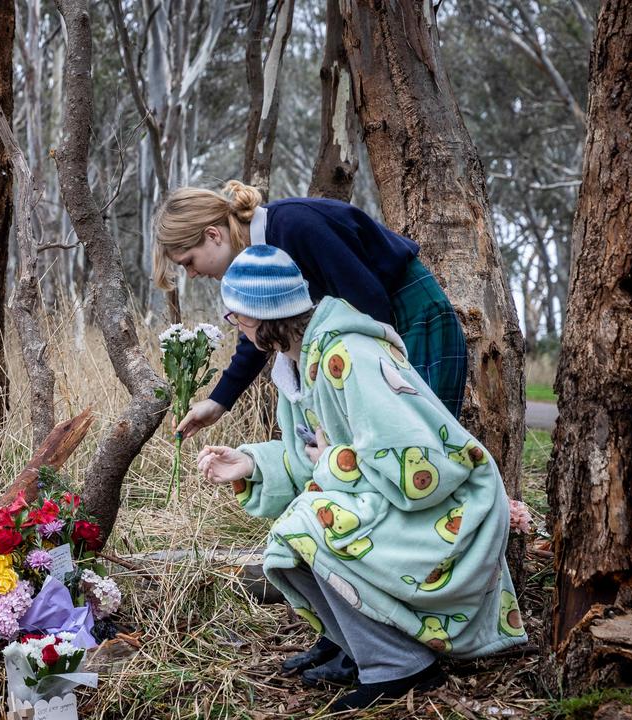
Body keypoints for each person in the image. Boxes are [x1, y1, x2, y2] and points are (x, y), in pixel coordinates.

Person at [198, 246, 525, 710]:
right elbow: (312, 458)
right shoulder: (295, 370)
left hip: (447, 515)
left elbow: (420, 470)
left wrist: (332, 461)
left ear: (259, 317)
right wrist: (251, 463)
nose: (237, 328)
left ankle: (398, 666)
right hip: (396, 510)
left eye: (235, 317)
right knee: (291, 537)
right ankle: (372, 655)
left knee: (304, 524)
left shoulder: (350, 355)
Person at [153, 180, 468, 431]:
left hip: (414, 316)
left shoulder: (295, 226)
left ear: (212, 235)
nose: (192, 274)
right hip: (380, 326)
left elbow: (368, 301)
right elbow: (256, 332)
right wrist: (219, 401)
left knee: (425, 442)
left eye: (188, 262)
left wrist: (372, 377)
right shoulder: (259, 255)